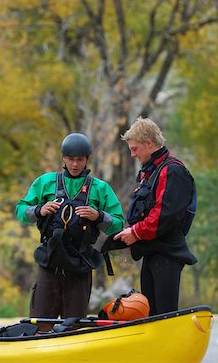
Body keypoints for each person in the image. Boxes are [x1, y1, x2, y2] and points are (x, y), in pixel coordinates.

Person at [16, 132, 124, 319]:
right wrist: (39, 210)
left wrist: (98, 216)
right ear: (63, 158)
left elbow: (118, 225)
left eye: (80, 159)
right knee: (39, 321)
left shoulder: (100, 189)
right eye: (71, 159)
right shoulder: (45, 182)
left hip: (80, 265)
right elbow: (20, 211)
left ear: (87, 160)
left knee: (73, 325)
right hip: (50, 262)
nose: (75, 164)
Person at [114, 117, 197, 316]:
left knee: (165, 317)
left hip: (168, 254)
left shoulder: (173, 171)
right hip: (151, 253)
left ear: (149, 144)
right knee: (150, 315)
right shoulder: (147, 173)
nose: (132, 154)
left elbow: (165, 216)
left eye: (135, 149)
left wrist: (135, 233)